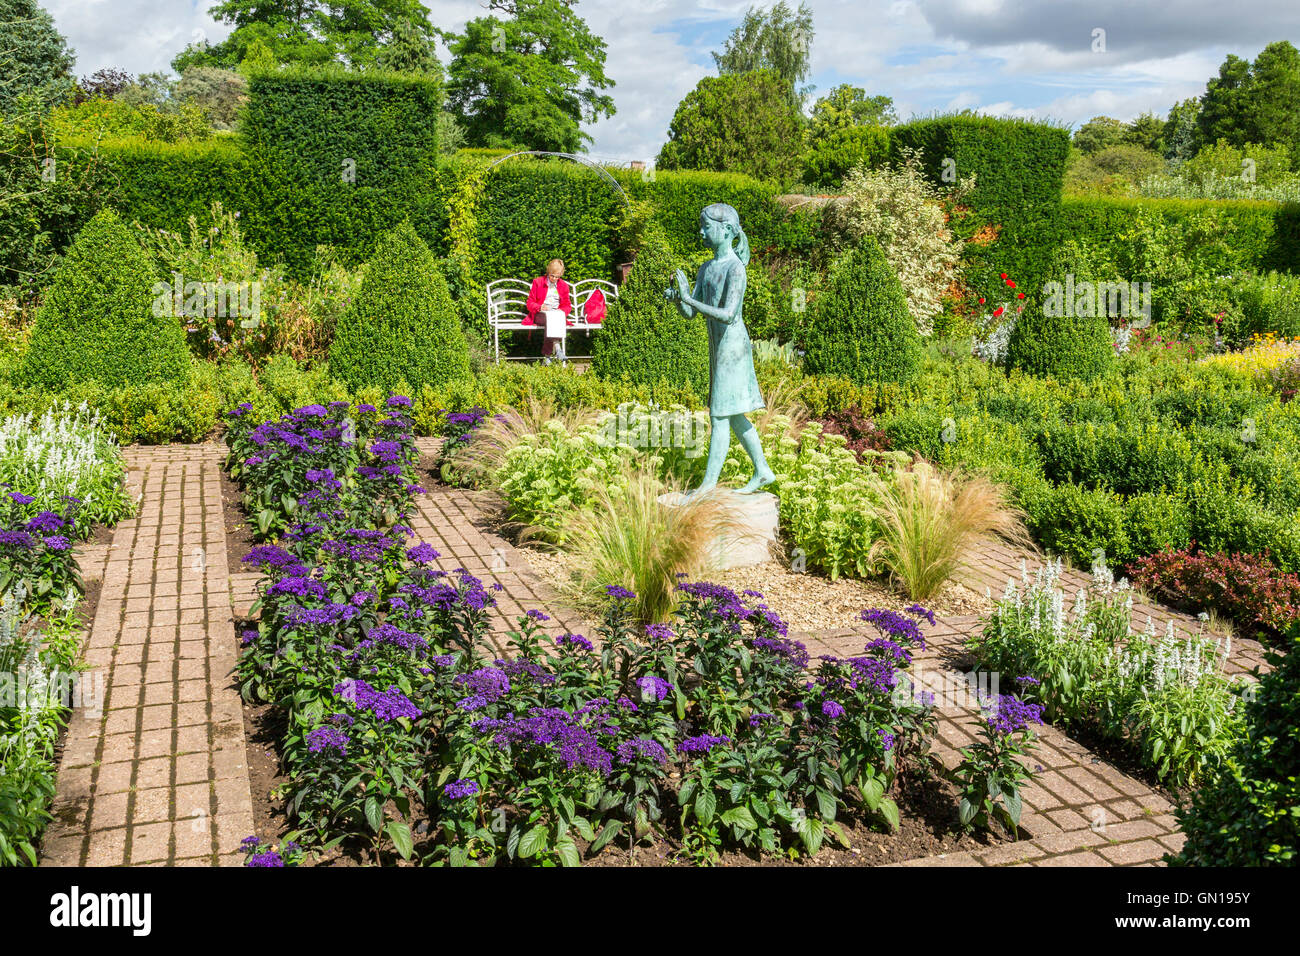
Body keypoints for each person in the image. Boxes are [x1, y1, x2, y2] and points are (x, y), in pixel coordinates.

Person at [667, 202, 776, 496]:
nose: (701, 232)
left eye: (706, 226)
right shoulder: (706, 268)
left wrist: (690, 300)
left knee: (719, 414)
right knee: (733, 414)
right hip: (718, 347)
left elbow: (729, 314)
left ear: (726, 230)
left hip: (733, 347)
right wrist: (681, 299)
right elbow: (691, 315)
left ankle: (708, 485)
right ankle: (763, 470)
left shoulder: (735, 267)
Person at [525, 258, 571, 361]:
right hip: (540, 314)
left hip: (556, 315)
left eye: (557, 277)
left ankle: (547, 357)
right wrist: (539, 307)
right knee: (550, 319)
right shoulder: (538, 282)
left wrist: (562, 311)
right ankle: (558, 348)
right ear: (548, 272)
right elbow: (529, 303)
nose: (554, 279)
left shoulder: (563, 286)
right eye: (552, 276)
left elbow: (567, 305)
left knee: (553, 318)